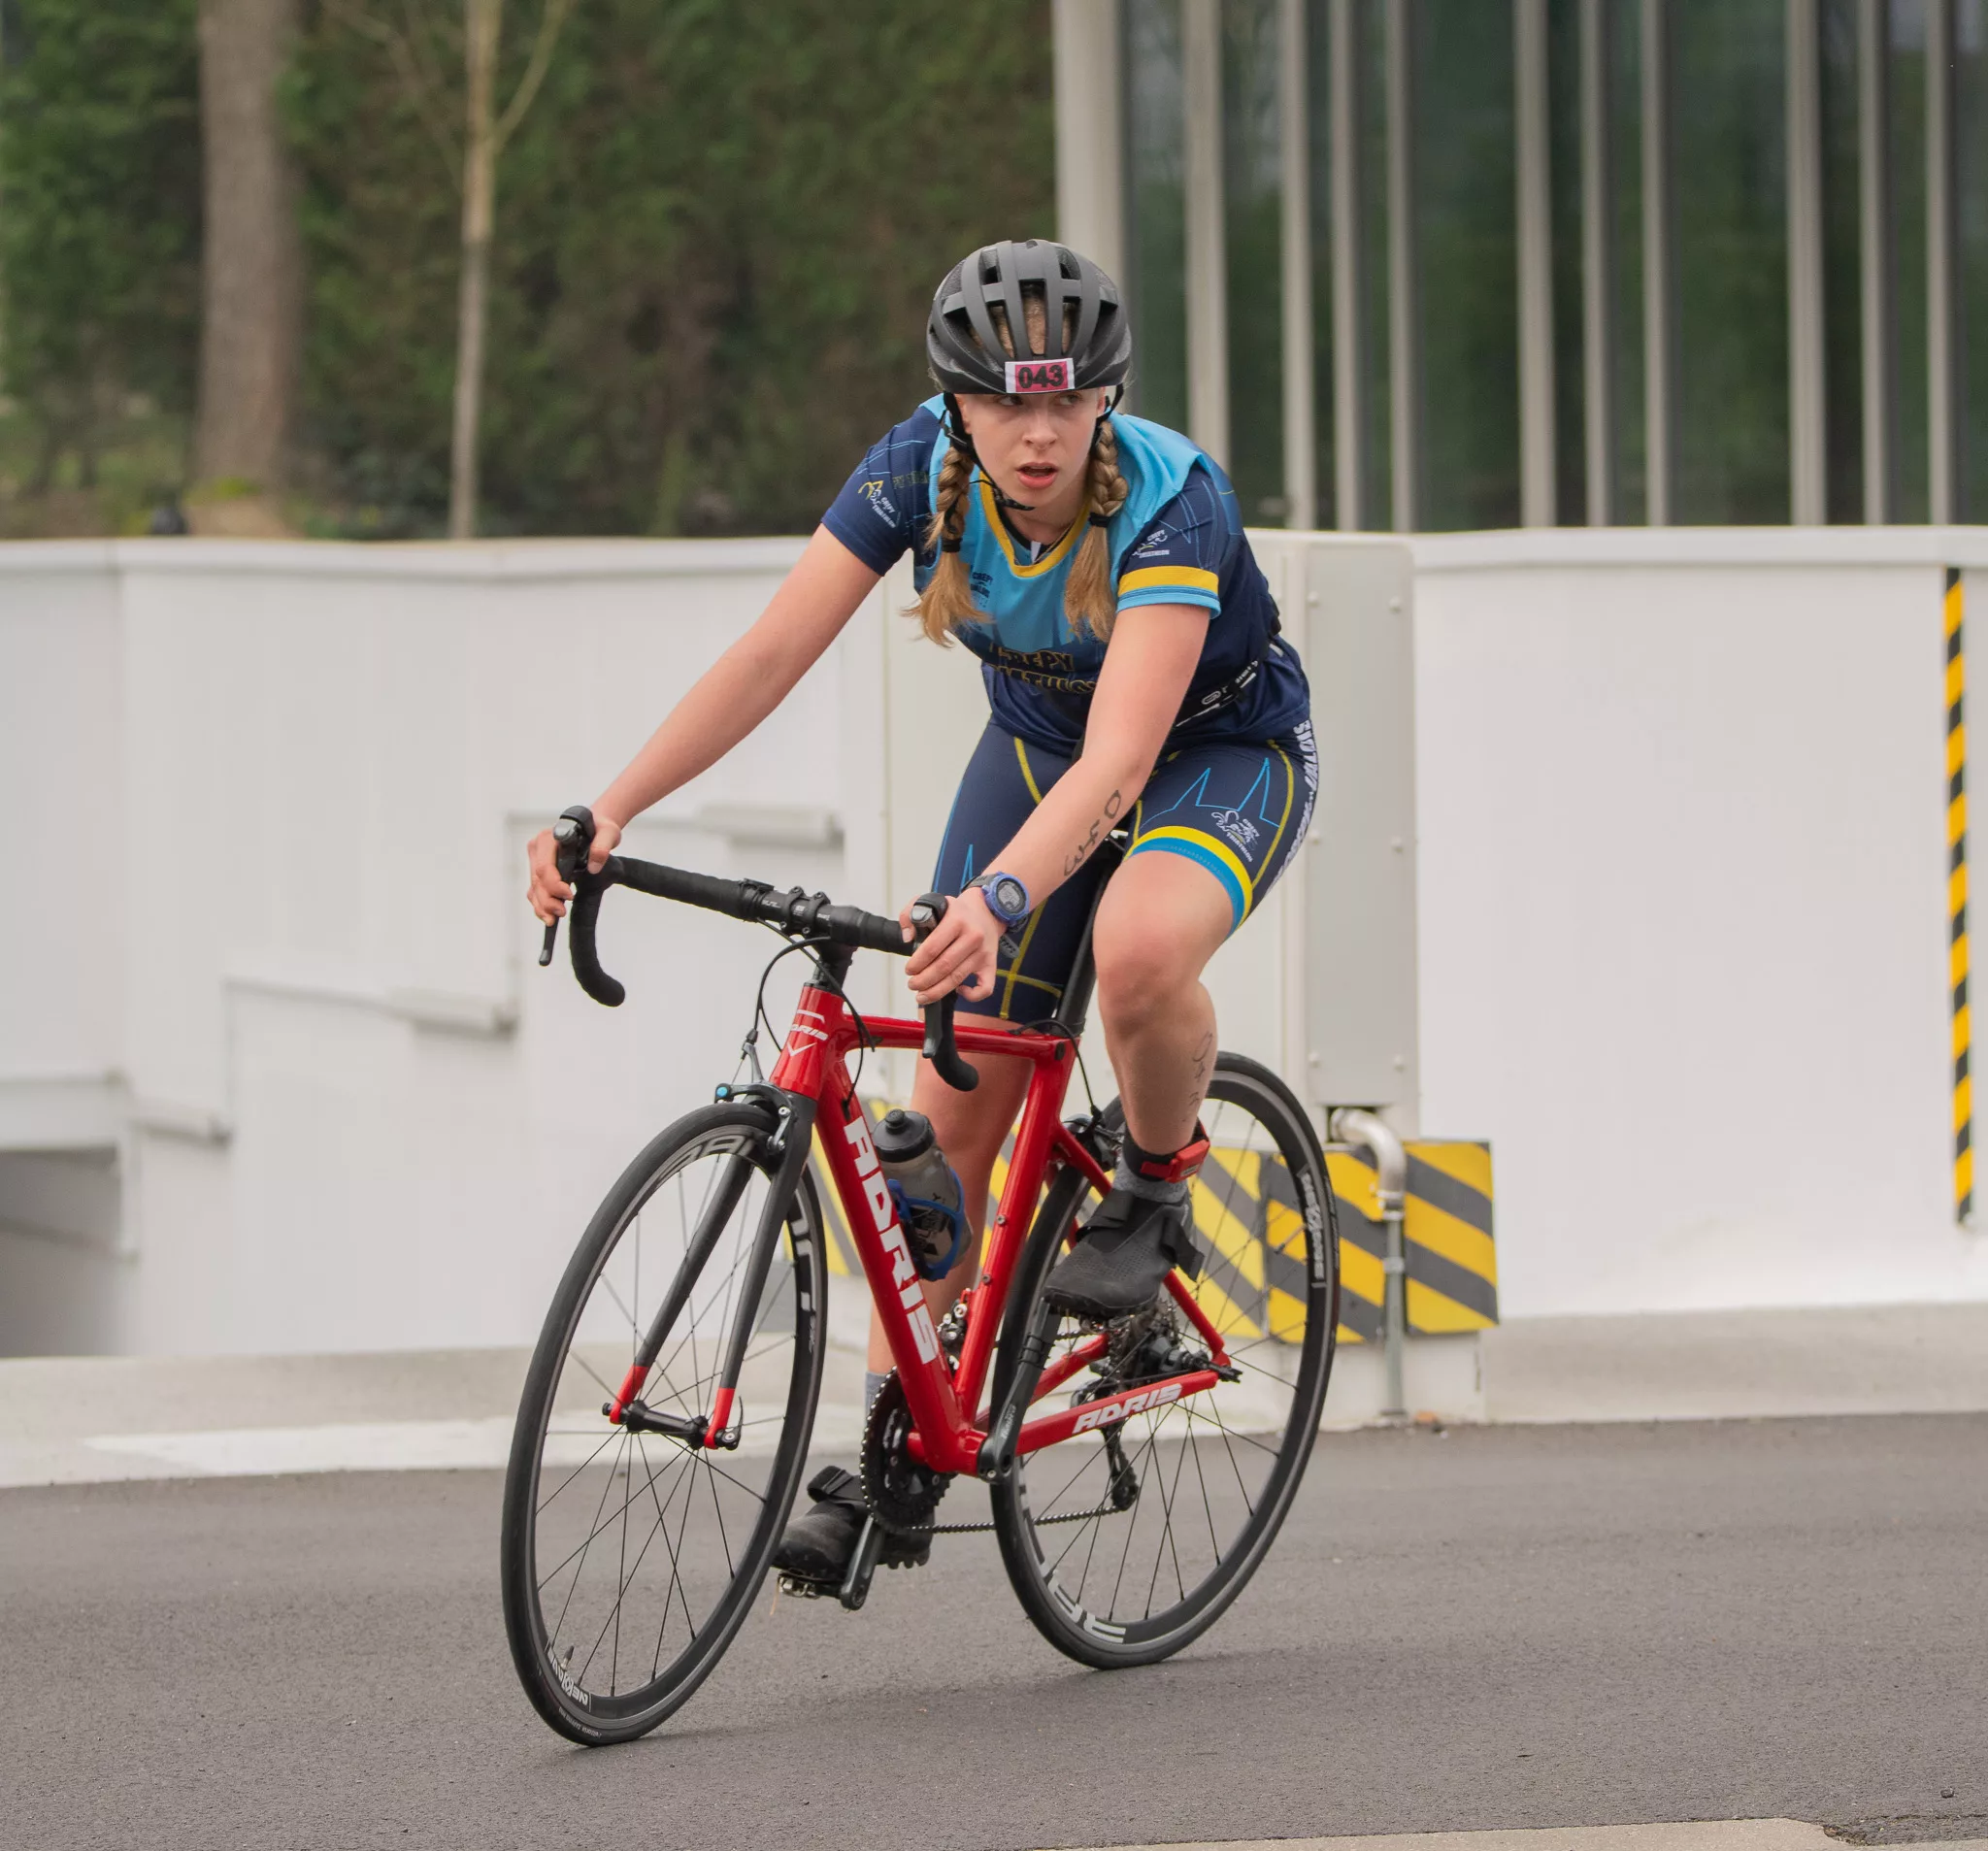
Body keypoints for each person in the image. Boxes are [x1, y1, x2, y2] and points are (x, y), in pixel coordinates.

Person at [525, 238, 1316, 1585]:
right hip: (1037, 756)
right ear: (959, 403)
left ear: (1106, 400)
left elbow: (1125, 761)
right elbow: (772, 651)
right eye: (1006, 403)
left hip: (1213, 756)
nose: (1038, 434)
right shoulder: (916, 468)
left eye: (1067, 402)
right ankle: (900, 1441)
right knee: (942, 1137)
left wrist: (1002, 894)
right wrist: (614, 808)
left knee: (1134, 948)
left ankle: (1151, 1189)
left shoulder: (1172, 502)